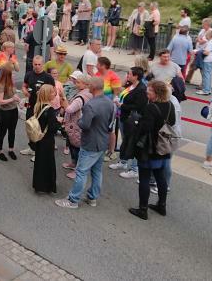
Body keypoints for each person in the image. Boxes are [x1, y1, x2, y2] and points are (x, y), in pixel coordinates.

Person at [56, 76, 115, 208]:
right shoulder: (109, 102)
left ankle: (73, 200)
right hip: (102, 142)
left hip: (90, 143)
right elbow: (110, 124)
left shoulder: (91, 105)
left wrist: (78, 121)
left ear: (92, 88)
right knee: (97, 171)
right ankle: (92, 198)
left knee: (81, 171)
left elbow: (84, 124)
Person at [127, 80, 176, 220]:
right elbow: (172, 123)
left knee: (144, 178)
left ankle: (143, 210)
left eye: (149, 90)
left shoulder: (151, 108)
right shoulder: (170, 105)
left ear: (156, 93)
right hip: (164, 146)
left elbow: (145, 128)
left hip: (150, 149)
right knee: (160, 177)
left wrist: (137, 122)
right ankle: (162, 205)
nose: (147, 92)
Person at [31, 84, 58, 193]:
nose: (54, 93)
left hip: (39, 137)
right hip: (47, 139)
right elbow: (52, 128)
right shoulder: (50, 110)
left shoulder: (38, 106)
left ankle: (38, 185)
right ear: (47, 94)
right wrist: (58, 122)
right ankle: (47, 186)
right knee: (48, 162)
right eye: (52, 92)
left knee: (39, 161)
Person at [0, 64, 21, 161]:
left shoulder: (11, 82)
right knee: (3, 131)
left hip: (14, 109)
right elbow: (0, 101)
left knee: (12, 131)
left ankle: (11, 149)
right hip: (5, 111)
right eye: (12, 72)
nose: (14, 74)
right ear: (7, 74)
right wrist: (12, 99)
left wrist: (18, 100)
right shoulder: (1, 85)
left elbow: (13, 94)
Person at [197, 28, 212, 96]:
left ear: (208, 36)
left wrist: (200, 52)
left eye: (206, 35)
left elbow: (207, 53)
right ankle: (208, 89)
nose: (205, 36)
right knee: (208, 75)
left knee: (206, 75)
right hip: (211, 59)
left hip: (207, 59)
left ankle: (205, 90)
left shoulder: (209, 43)